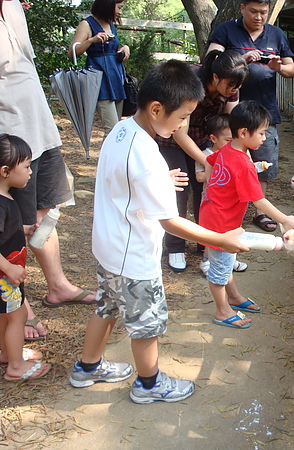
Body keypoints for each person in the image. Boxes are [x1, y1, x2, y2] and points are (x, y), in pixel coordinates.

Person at [69, 60, 249, 404]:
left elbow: (122, 179)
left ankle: (87, 366)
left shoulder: (122, 129)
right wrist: (221, 240)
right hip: (133, 254)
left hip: (108, 245)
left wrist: (157, 182)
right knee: (147, 324)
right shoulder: (148, 153)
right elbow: (170, 222)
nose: (183, 125)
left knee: (106, 306)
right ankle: (149, 384)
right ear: (156, 109)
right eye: (182, 117)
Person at [0, 0, 96, 342]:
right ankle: (19, 308)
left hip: (39, 126)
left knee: (45, 215)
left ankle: (58, 286)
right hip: (9, 137)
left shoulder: (13, 6)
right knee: (14, 227)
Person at [199, 100, 294, 329]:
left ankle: (234, 298)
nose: (264, 138)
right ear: (244, 132)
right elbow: (258, 200)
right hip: (222, 223)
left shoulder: (227, 149)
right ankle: (223, 311)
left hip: (212, 214)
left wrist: (214, 188)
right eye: (262, 133)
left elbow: (211, 160)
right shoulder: (243, 163)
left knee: (225, 261)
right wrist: (284, 219)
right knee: (219, 270)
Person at [206, 0, 294, 233]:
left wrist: (279, 67)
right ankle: (224, 204)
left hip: (265, 109)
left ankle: (261, 213)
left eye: (263, 13)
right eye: (254, 11)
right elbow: (211, 59)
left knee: (262, 162)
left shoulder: (276, 34)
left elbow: (292, 69)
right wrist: (240, 61)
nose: (259, 17)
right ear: (242, 8)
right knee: (228, 158)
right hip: (229, 108)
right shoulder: (225, 30)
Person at [156, 49, 249, 272]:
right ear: (215, 77)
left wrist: (242, 155)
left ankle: (205, 244)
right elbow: (179, 133)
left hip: (205, 139)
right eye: (231, 85)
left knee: (207, 192)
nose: (234, 90)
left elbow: (233, 125)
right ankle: (175, 246)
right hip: (173, 138)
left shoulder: (231, 88)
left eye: (238, 86)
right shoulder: (192, 83)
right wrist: (208, 161)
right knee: (180, 189)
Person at [0, 134, 51, 381]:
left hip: (7, 276)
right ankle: (16, 365)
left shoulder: (5, 198)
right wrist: (9, 268)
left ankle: (6, 352)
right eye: (27, 166)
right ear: (5, 171)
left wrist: (24, 230)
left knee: (5, 316)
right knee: (18, 317)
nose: (31, 172)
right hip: (5, 277)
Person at [68, 0, 130, 137]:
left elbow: (111, 49)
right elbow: (73, 51)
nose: (120, 11)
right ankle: (107, 158)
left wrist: (124, 48)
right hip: (99, 81)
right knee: (112, 129)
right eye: (119, 7)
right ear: (108, 5)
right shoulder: (87, 24)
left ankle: (112, 158)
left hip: (116, 78)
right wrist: (91, 40)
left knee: (117, 127)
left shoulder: (110, 24)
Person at [195, 113, 247, 276]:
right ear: (213, 138)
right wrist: (218, 173)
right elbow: (199, 176)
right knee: (213, 234)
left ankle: (229, 259)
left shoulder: (235, 154)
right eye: (227, 140)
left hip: (230, 203)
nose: (231, 143)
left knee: (232, 229)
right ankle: (207, 260)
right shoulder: (207, 154)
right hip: (213, 203)